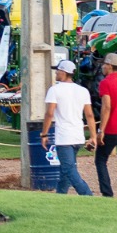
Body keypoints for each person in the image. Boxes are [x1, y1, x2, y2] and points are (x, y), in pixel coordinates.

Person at [40, 59, 97, 196]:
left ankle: (87, 195)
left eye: (58, 70)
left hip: (64, 137)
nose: (56, 73)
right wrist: (93, 136)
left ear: (64, 72)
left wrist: (44, 134)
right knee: (65, 169)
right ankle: (60, 196)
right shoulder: (83, 91)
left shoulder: (55, 90)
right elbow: (89, 115)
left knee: (69, 170)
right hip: (78, 136)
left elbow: (49, 113)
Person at [94, 52, 117, 198]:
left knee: (100, 159)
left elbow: (106, 107)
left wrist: (101, 130)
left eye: (104, 64)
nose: (102, 67)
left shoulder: (105, 82)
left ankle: (107, 194)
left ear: (109, 66)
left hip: (113, 128)